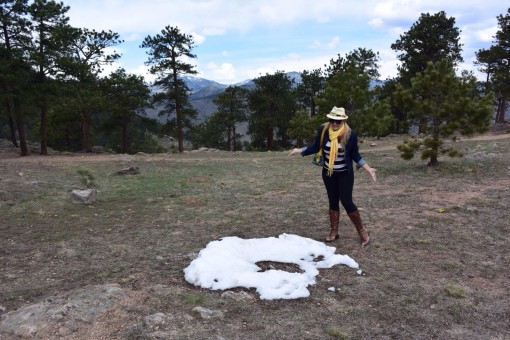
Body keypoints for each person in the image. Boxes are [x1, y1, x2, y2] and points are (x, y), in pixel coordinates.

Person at [288, 106, 377, 247]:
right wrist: (299, 150)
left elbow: (354, 154)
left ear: (343, 121)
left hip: (345, 174)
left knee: (347, 202)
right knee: (333, 201)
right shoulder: (324, 130)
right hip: (328, 173)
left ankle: (362, 230)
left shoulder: (350, 134)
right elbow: (316, 147)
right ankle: (334, 231)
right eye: (332, 120)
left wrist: (368, 169)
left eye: (338, 121)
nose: (334, 124)